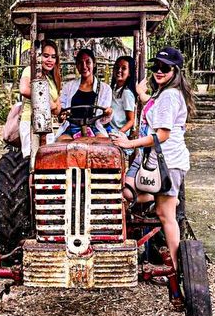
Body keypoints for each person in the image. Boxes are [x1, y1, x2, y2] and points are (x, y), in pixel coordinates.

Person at [110, 47, 195, 269]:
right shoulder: (163, 93)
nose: (158, 71)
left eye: (164, 68)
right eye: (155, 67)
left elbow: (162, 135)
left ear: (175, 71)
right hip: (153, 160)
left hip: (166, 161)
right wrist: (140, 93)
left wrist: (129, 143)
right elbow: (151, 104)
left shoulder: (168, 95)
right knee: (126, 191)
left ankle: (177, 268)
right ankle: (169, 197)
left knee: (166, 216)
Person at [56, 48, 112, 140]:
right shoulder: (68, 87)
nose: (84, 66)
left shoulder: (105, 89)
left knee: (104, 146)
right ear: (77, 66)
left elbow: (103, 120)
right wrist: (62, 115)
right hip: (71, 128)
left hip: (95, 128)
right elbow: (61, 112)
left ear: (94, 63)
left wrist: (108, 113)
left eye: (88, 62)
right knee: (61, 146)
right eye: (80, 63)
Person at [18, 40, 62, 157]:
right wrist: (47, 102)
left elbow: (57, 108)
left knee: (48, 160)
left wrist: (57, 108)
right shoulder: (30, 71)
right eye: (46, 56)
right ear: (38, 56)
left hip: (48, 125)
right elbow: (24, 89)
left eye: (53, 57)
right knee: (31, 159)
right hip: (31, 122)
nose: (50, 60)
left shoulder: (53, 79)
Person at [108, 55, 136, 136]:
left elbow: (131, 120)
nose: (119, 70)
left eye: (124, 68)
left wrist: (118, 134)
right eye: (117, 67)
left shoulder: (126, 93)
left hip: (117, 131)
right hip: (108, 128)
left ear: (129, 73)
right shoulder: (112, 89)